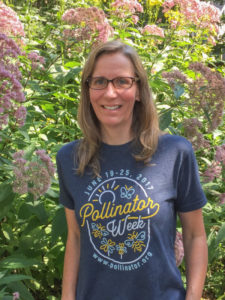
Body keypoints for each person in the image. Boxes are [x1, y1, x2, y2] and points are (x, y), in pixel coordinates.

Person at [56, 40, 208, 300]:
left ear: (138, 89)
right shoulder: (70, 158)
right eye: (99, 81)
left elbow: (195, 235)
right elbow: (76, 238)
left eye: (122, 81)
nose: (110, 93)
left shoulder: (175, 152)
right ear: (88, 90)